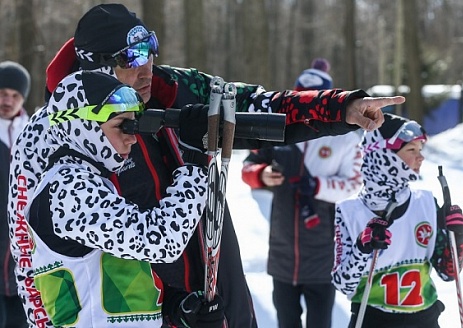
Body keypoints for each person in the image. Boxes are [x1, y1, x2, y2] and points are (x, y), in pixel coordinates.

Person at [8, 3, 406, 327]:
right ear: (93, 66)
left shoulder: (174, 90)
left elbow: (260, 106)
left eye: (150, 51)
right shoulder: (52, 133)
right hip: (140, 311)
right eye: (130, 58)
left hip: (221, 287)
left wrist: (341, 108)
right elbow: (30, 253)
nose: (146, 68)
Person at [24, 70, 224, 327]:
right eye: (122, 126)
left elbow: (111, 274)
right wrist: (195, 162)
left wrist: (175, 306)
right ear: (82, 126)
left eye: (134, 126)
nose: (132, 138)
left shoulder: (86, 184)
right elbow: (162, 241)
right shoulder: (67, 189)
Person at [241, 58, 363, 328]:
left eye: (310, 98)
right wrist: (261, 174)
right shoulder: (276, 128)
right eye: (298, 97)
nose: (303, 105)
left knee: (320, 322)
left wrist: (318, 185)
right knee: (286, 322)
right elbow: (247, 168)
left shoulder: (345, 138)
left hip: (322, 250)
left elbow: (353, 185)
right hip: (282, 248)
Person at [331, 113, 463, 328]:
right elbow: (343, 284)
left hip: (424, 319)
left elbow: (447, 272)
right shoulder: (349, 211)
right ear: (383, 155)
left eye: (420, 150)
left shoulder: (426, 203)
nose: (420, 157)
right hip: (373, 319)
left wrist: (458, 237)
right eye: (411, 150)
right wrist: (362, 249)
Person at [0, 60, 30, 328]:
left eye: (15, 95)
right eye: (2, 93)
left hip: (24, 262)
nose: (7, 100)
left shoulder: (33, 136)